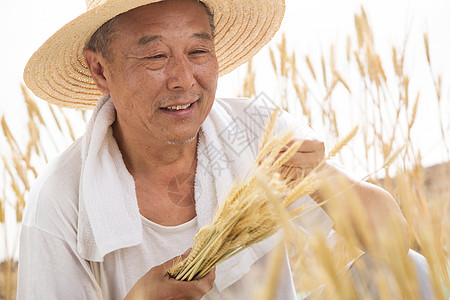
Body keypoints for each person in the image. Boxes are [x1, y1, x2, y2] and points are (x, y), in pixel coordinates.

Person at [18, 0, 413, 299]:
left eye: (198, 52)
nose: (183, 79)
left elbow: (397, 243)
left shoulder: (255, 127)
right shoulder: (60, 202)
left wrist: (323, 177)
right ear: (100, 70)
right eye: (156, 56)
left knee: (413, 273)